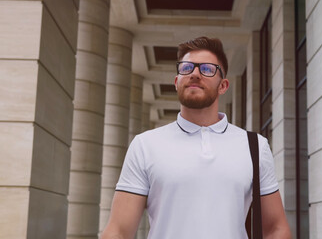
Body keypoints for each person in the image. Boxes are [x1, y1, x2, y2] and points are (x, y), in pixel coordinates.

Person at [101, 37, 291, 239]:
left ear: (223, 86)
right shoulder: (145, 145)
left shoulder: (255, 146)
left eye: (207, 69)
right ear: (176, 82)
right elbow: (118, 231)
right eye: (187, 68)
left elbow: (276, 228)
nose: (195, 74)